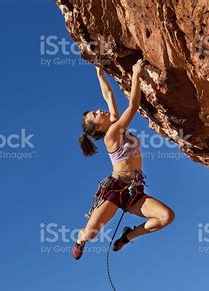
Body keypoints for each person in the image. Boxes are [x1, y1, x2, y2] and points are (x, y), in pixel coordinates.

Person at [73, 59, 175, 260]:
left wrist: (100, 75)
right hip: (115, 190)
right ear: (98, 128)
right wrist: (136, 75)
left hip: (134, 190)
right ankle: (80, 238)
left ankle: (128, 236)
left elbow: (109, 96)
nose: (100, 111)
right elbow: (134, 105)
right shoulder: (112, 135)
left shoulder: (116, 126)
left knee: (166, 217)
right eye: (96, 114)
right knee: (91, 233)